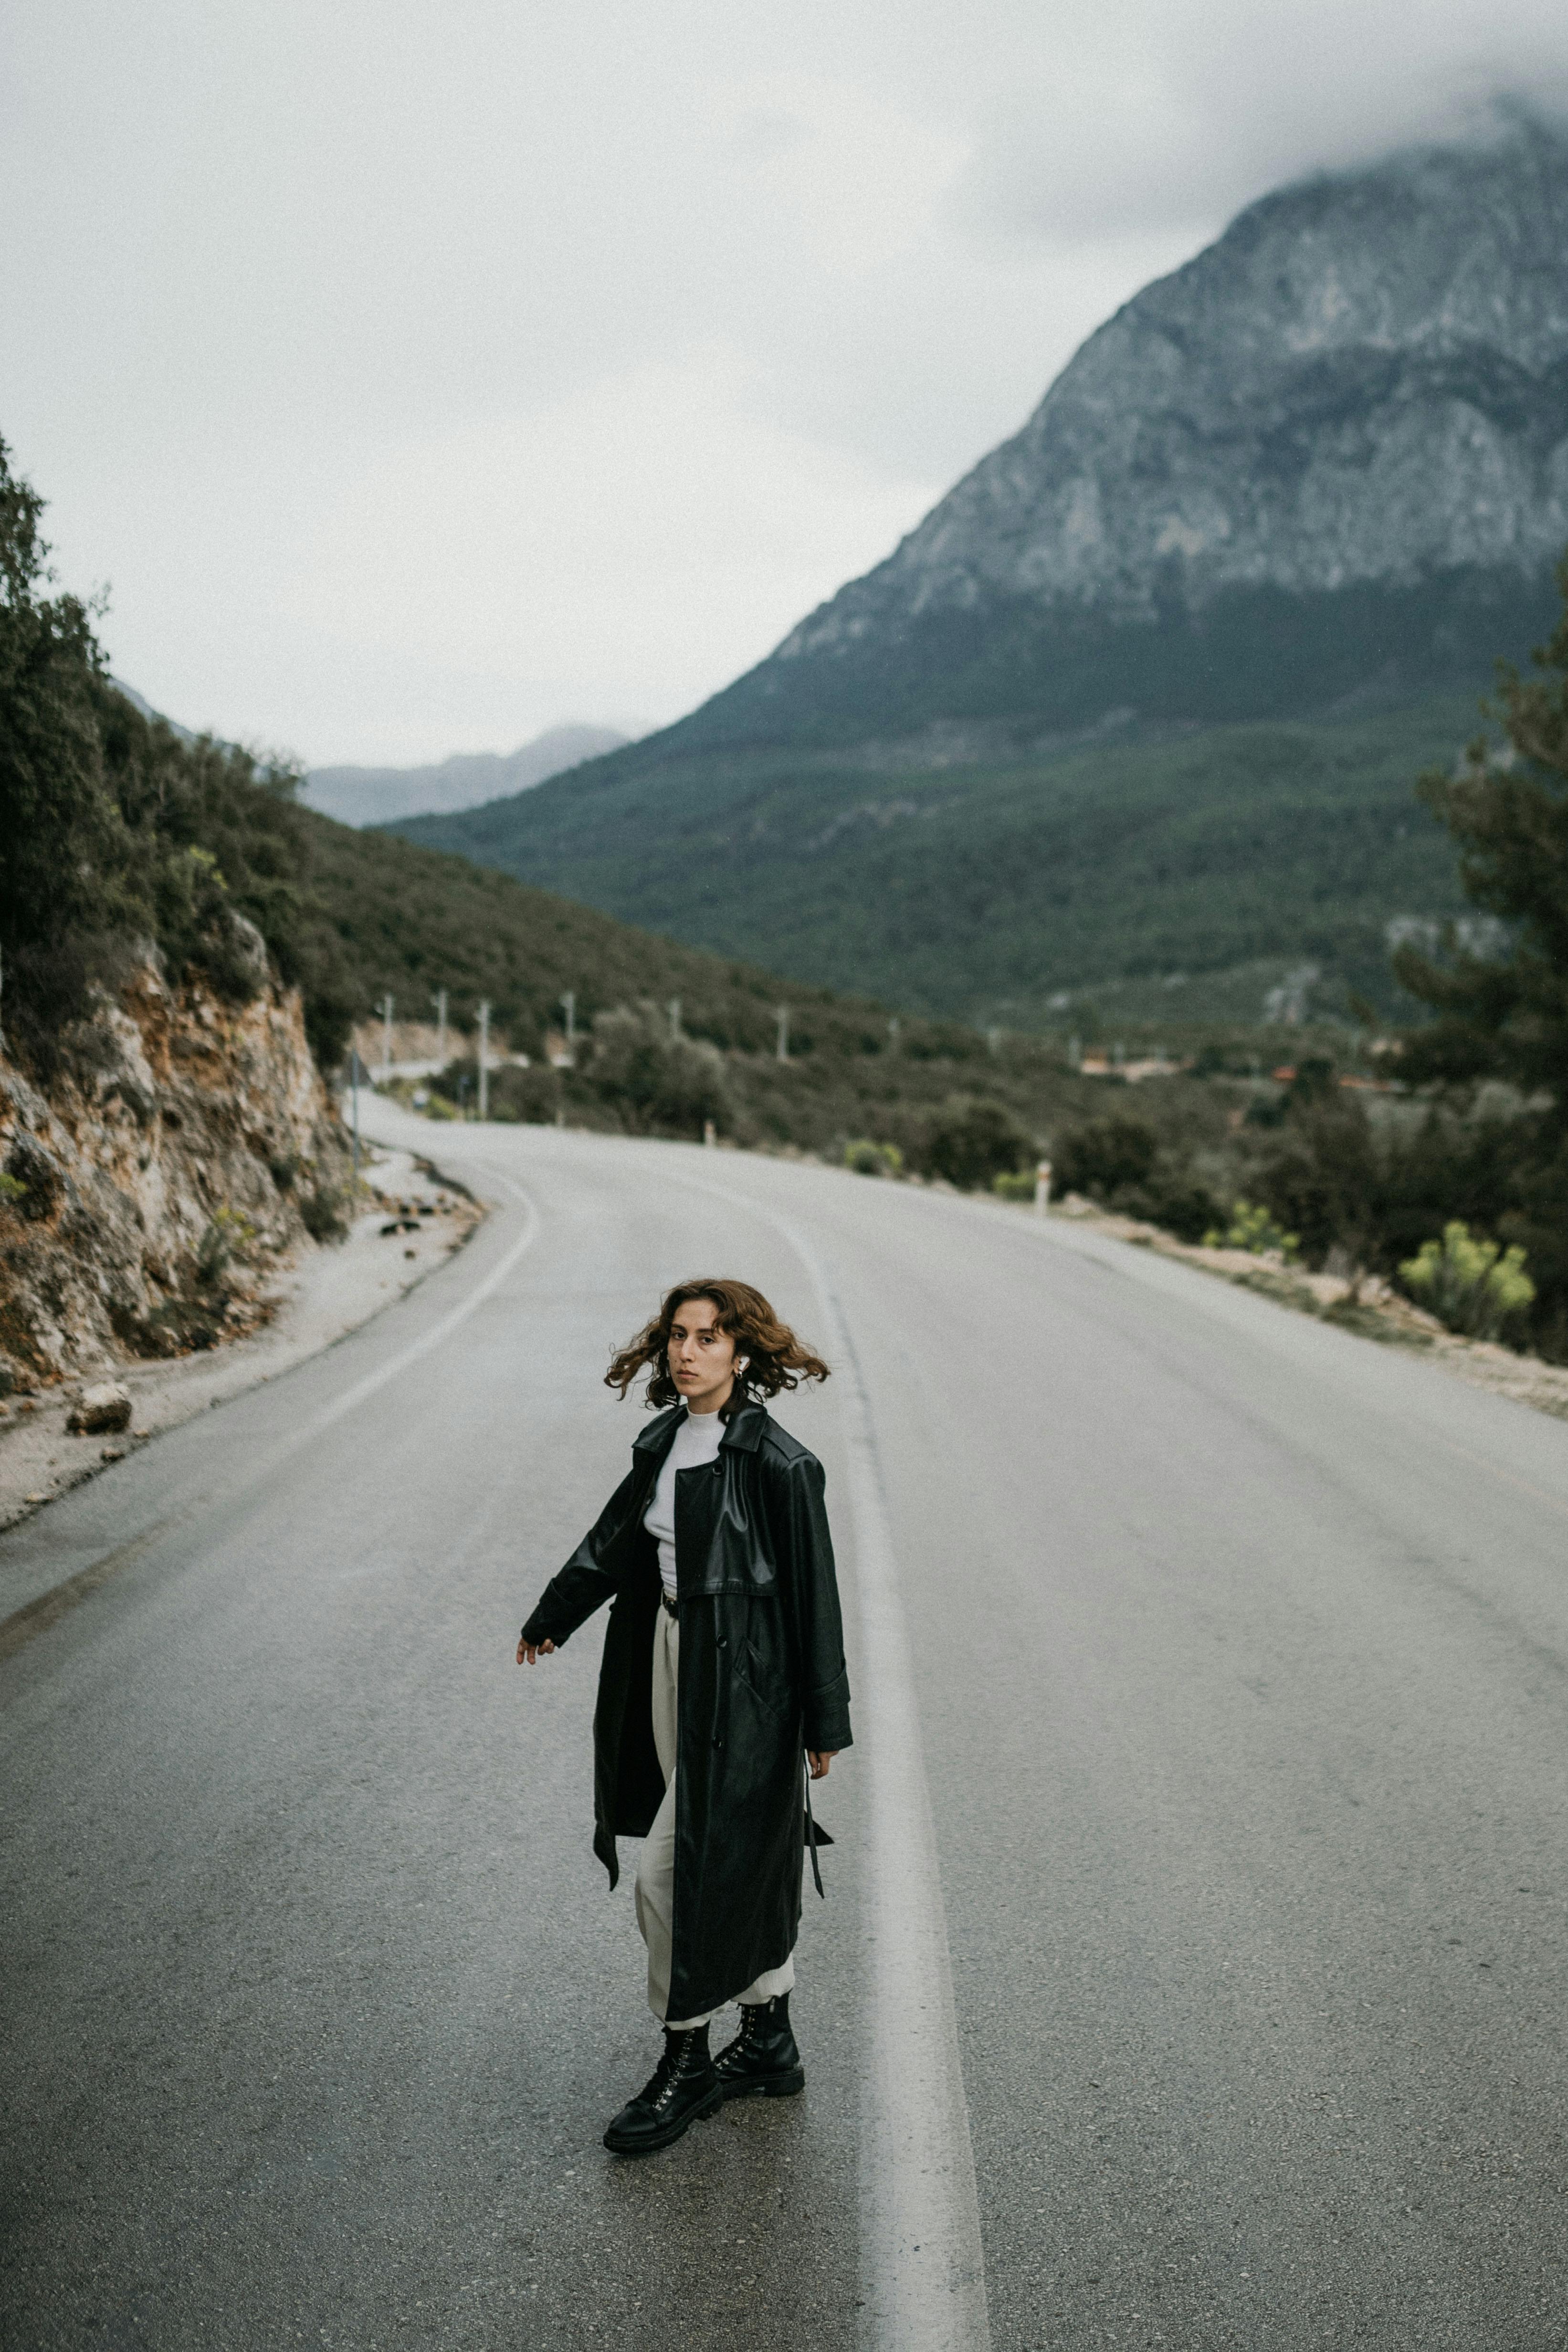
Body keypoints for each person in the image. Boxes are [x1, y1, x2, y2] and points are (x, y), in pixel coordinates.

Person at [516, 1277, 853, 2156]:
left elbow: (816, 1602)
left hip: (744, 1690)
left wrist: (824, 1724)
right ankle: (770, 2039)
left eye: (708, 1338)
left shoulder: (782, 1466)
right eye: (678, 1335)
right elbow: (619, 1538)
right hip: (668, 1659)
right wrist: (555, 1614)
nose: (686, 1351)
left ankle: (688, 2057)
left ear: (742, 1354)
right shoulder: (664, 1437)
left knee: (673, 1874)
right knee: (738, 1857)